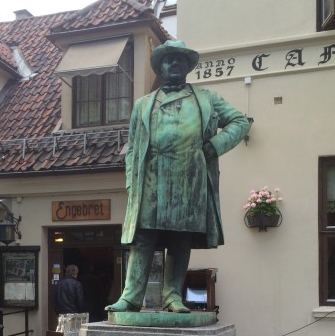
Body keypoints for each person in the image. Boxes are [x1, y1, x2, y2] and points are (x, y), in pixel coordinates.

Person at [106, 40, 250, 313]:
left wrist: (215, 146)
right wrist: (130, 183)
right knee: (143, 238)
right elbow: (133, 149)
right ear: (160, 66)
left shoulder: (207, 98)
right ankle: (131, 296)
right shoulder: (143, 104)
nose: (174, 63)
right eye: (168, 59)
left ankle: (173, 296)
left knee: (180, 239)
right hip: (150, 179)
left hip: (189, 178)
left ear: (187, 67)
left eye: (179, 60)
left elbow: (240, 121)